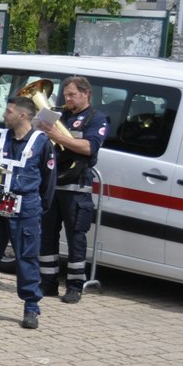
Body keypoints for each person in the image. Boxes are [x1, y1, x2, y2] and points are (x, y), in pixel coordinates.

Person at [0, 95, 55, 328]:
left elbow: (48, 183)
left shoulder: (41, 142)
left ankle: (31, 307)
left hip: (25, 208)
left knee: (26, 258)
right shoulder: (0, 138)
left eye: (8, 111)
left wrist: (36, 208)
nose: (4, 115)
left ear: (22, 115)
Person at [39, 76, 109, 303]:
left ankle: (75, 286)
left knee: (75, 238)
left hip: (76, 188)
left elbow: (89, 147)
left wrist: (59, 136)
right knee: (47, 237)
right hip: (52, 185)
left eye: (72, 95)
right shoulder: (60, 115)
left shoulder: (95, 118)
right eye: (65, 95)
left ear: (86, 93)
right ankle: (47, 284)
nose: (67, 99)